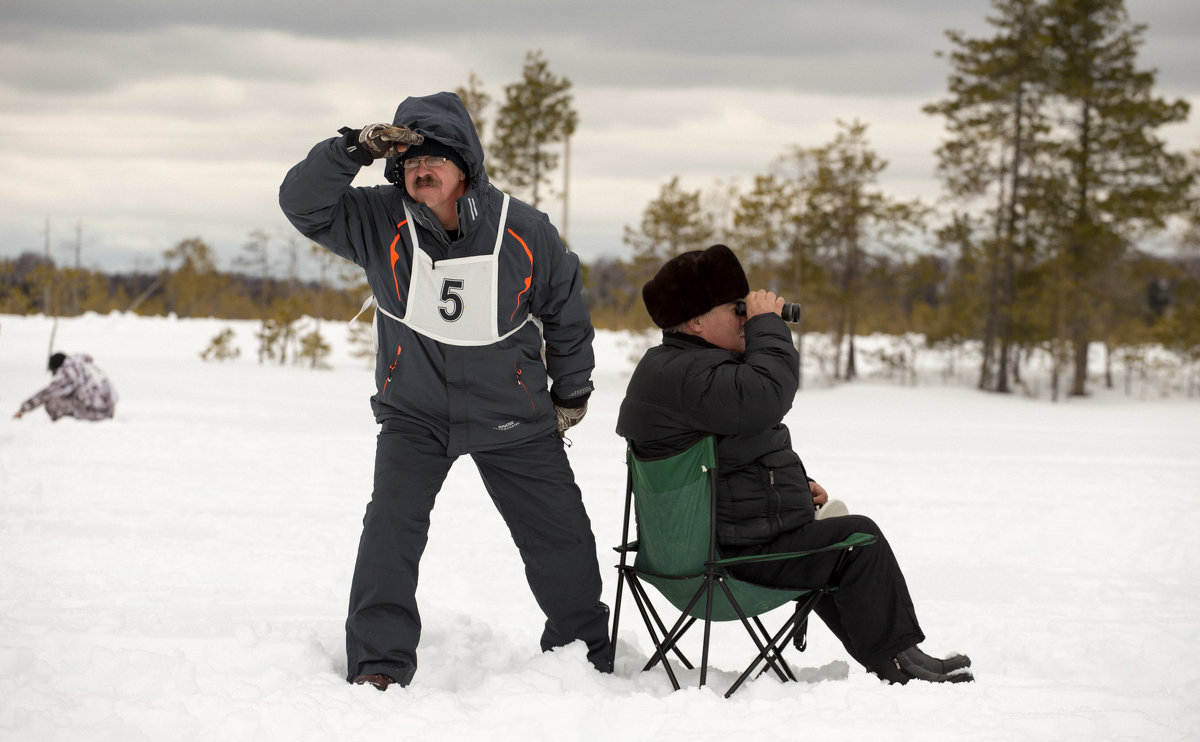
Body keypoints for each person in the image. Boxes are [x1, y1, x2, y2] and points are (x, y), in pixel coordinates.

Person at [278, 91, 612, 691]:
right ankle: (379, 663)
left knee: (559, 533)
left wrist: (571, 395)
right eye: (407, 162)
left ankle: (583, 652)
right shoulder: (379, 220)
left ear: (466, 167)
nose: (419, 169)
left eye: (434, 159)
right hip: (415, 414)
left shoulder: (525, 230)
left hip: (513, 414)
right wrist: (350, 149)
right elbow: (300, 203)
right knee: (391, 528)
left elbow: (567, 315)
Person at [615, 244, 973, 685]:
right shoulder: (692, 374)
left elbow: (730, 453)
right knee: (858, 541)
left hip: (692, 557)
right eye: (737, 310)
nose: (746, 319)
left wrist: (796, 486)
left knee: (831, 540)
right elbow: (767, 395)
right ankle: (897, 660)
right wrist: (768, 323)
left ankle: (897, 656)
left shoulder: (673, 370)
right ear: (696, 321)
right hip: (728, 564)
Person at [14, 352, 116, 422]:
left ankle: (63, 426)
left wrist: (23, 409)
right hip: (109, 410)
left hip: (97, 413)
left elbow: (48, 392)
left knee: (51, 400)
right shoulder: (84, 365)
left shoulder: (68, 370)